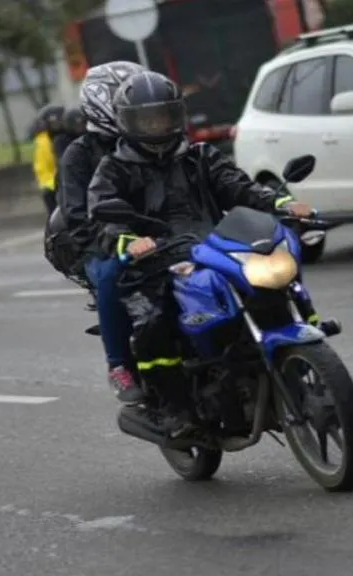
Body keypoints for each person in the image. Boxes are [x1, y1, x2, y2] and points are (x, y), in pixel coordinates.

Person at [87, 71, 313, 436]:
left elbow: (238, 186)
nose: (158, 126)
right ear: (129, 123)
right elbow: (102, 212)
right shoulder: (114, 168)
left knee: (274, 278)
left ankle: (299, 340)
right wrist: (128, 240)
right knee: (157, 321)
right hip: (156, 260)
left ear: (177, 116)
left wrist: (282, 202)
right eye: (148, 119)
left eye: (164, 116)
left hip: (213, 248)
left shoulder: (200, 156)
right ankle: (175, 408)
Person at [53, 61, 147, 404]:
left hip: (160, 237)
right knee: (111, 275)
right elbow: (77, 217)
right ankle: (119, 365)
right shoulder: (79, 155)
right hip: (100, 245)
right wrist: (115, 240)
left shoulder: (156, 141)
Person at [32, 104, 65, 215]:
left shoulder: (69, 137)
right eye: (53, 123)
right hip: (54, 187)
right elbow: (44, 170)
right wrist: (55, 185)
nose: (57, 126)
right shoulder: (43, 142)